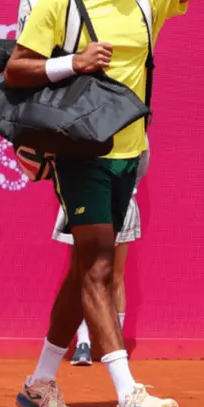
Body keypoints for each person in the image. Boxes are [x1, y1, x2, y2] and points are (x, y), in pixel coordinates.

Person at [4, 0, 204, 407]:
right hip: (81, 155)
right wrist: (71, 62)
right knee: (101, 265)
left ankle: (38, 383)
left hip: (131, 153)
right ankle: (128, 396)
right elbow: (18, 70)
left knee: (84, 268)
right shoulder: (61, 0)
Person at [56, 154, 146, 366]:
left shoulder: (136, 129)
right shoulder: (83, 127)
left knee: (116, 275)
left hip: (120, 203)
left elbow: (141, 165)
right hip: (83, 201)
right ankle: (83, 343)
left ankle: (115, 343)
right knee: (82, 274)